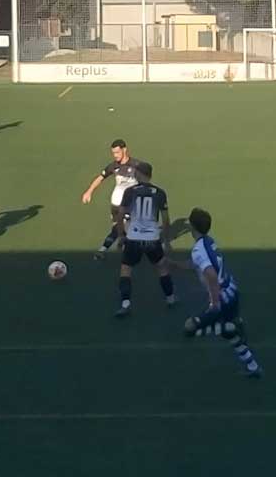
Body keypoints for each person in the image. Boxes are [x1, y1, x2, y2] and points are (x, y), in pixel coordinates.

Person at [181, 207, 261, 378]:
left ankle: (229, 325)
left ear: (192, 227)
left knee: (189, 328)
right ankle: (252, 366)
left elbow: (210, 273)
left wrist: (214, 302)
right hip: (232, 289)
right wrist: (172, 264)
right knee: (231, 336)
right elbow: (196, 265)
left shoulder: (197, 250)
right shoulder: (209, 241)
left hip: (222, 297)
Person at [114, 162, 174, 318]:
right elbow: (166, 220)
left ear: (140, 173)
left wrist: (121, 236)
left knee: (126, 270)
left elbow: (120, 216)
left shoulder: (129, 192)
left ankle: (125, 304)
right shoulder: (160, 193)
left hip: (133, 238)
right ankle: (170, 298)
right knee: (161, 267)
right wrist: (166, 241)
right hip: (152, 238)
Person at [81, 139, 140, 259]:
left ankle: (104, 249)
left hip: (129, 203)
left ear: (124, 150)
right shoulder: (113, 166)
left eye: (117, 152)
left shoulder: (136, 165)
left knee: (122, 228)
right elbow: (100, 178)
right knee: (121, 228)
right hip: (117, 203)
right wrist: (89, 191)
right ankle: (126, 247)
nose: (115, 155)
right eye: (113, 153)